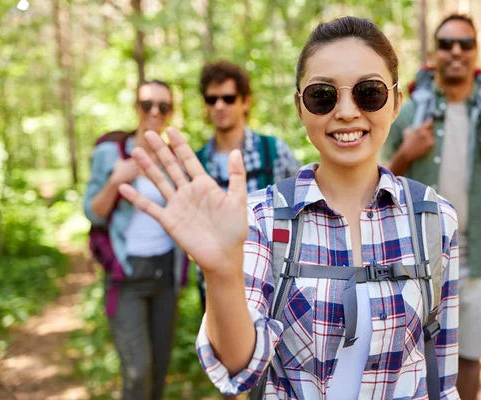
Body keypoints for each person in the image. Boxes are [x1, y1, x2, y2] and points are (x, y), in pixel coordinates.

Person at [119, 17, 460, 399]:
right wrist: (220, 271)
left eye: (368, 92)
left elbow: (442, 377)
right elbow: (238, 368)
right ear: (300, 108)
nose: (346, 111)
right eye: (322, 95)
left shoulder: (432, 217)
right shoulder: (261, 219)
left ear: (397, 101)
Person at [383, 14, 481, 400]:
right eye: (447, 43)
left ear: (476, 52)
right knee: (409, 355)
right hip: (414, 259)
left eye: (465, 44)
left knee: (469, 356)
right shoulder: (407, 114)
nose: (456, 52)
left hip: (477, 259)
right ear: (433, 53)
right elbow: (373, 185)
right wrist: (406, 152)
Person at [83, 80, 187, 400]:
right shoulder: (109, 153)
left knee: (158, 371)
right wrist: (116, 179)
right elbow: (94, 214)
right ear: (135, 108)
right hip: (126, 275)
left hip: (165, 273)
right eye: (147, 105)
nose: (155, 112)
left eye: (163, 106)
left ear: (171, 113)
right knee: (137, 370)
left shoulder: (176, 159)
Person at [194, 60, 301, 310]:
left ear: (245, 101)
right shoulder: (196, 163)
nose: (220, 105)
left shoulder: (274, 151)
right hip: (214, 283)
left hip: (272, 283)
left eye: (228, 98)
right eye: (212, 99)